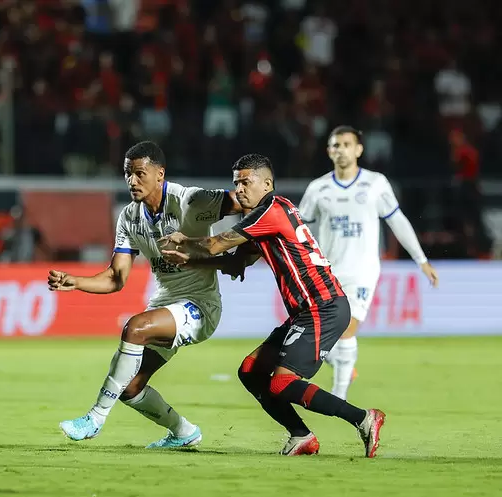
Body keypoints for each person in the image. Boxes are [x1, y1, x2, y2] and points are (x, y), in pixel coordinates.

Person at [160, 153, 385, 458]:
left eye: (246, 181)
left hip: (323, 306)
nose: (239, 189)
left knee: (281, 382)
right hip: (305, 311)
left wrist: (184, 241)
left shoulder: (271, 209)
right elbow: (238, 261)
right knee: (251, 371)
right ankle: (301, 435)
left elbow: (217, 243)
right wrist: (191, 260)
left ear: (267, 183)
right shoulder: (265, 216)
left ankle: (362, 418)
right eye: (235, 182)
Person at [47, 141, 243, 448]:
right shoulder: (129, 217)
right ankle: (184, 432)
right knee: (130, 388)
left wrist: (244, 246)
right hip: (164, 305)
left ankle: (95, 419)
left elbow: (246, 202)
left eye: (139, 173)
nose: (132, 181)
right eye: (127, 174)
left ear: (160, 174)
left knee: (134, 328)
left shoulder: (191, 201)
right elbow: (115, 278)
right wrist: (76, 281)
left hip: (200, 306)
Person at [299, 125, 438, 400]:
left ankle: (338, 397)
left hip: (362, 271)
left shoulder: (375, 184)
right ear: (329, 151)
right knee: (321, 334)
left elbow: (397, 220)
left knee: (348, 327)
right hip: (327, 271)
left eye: (347, 144)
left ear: (359, 149)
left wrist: (421, 259)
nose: (341, 150)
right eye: (335, 145)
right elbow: (301, 228)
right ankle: (342, 363)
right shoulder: (318, 188)